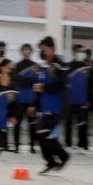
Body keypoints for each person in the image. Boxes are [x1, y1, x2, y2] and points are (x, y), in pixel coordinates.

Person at [33, 36, 71, 173]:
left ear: (52, 49)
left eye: (45, 50)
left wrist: (45, 88)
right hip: (45, 106)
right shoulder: (43, 66)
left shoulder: (60, 65)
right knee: (41, 133)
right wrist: (35, 105)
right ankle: (54, 161)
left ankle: (59, 158)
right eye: (41, 50)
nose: (43, 52)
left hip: (57, 106)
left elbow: (61, 85)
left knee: (45, 133)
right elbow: (40, 88)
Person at [11, 43, 37, 153]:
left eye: (28, 50)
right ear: (21, 52)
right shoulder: (17, 65)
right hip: (19, 99)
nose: (26, 52)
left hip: (31, 99)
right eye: (24, 50)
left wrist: (23, 81)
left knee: (32, 124)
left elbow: (36, 81)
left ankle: (32, 147)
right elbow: (15, 80)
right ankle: (16, 147)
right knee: (17, 123)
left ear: (31, 52)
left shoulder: (35, 66)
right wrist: (27, 82)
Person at [64, 45, 91, 151]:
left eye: (82, 52)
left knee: (83, 123)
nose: (81, 54)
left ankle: (82, 145)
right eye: (78, 52)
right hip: (70, 100)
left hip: (83, 100)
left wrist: (89, 99)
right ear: (73, 53)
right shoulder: (67, 66)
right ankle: (68, 144)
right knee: (68, 124)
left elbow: (90, 84)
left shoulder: (88, 67)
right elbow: (64, 84)